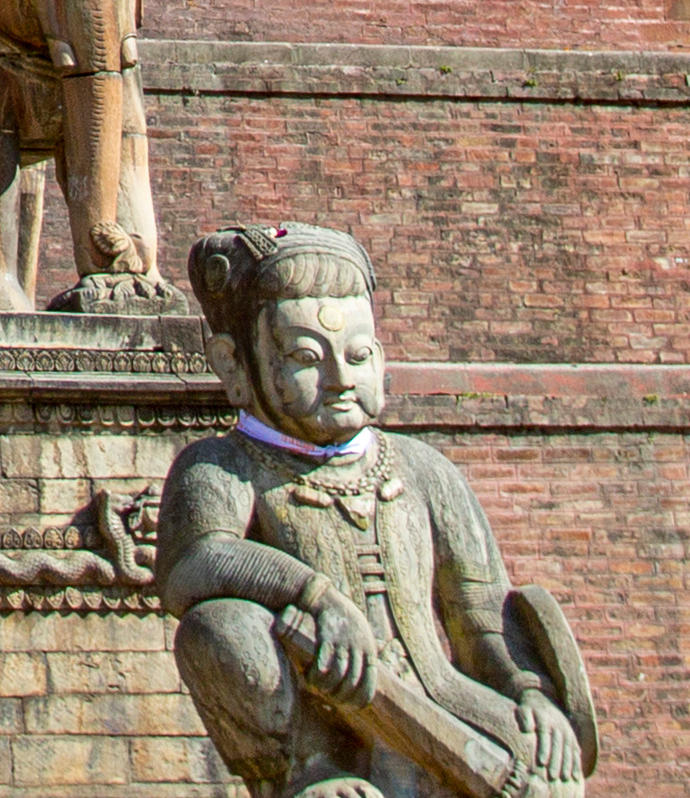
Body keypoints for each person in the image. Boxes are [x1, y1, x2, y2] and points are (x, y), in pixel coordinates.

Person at [163, 222, 597, 798]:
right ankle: (308, 773)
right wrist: (314, 596)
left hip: (439, 698)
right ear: (235, 364)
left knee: (552, 777)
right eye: (306, 358)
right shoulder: (223, 466)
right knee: (216, 628)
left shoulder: (422, 469)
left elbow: (480, 611)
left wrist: (530, 694)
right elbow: (193, 563)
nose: (341, 379)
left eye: (358, 354)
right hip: (322, 708)